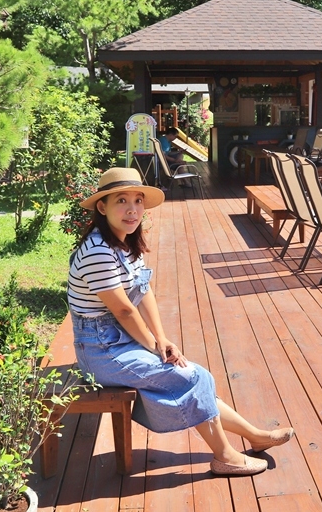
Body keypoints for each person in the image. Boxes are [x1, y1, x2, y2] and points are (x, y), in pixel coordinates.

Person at [68, 167, 293, 476]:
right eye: (121, 200)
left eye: (137, 200)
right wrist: (154, 346)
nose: (132, 209)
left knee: (191, 374)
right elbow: (123, 311)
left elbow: (143, 291)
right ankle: (226, 455)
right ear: (102, 207)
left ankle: (253, 436)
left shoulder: (125, 242)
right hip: (100, 349)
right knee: (190, 376)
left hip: (120, 339)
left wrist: (162, 338)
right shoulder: (97, 250)